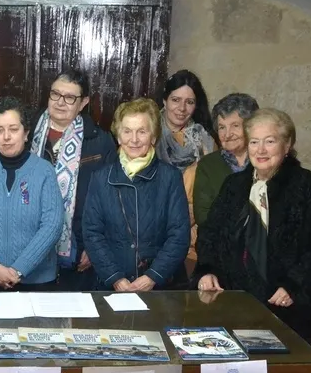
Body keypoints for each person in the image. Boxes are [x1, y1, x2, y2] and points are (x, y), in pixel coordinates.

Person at [195, 108, 311, 373]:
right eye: (254, 141)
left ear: (287, 145)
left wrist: (293, 284)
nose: (260, 149)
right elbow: (211, 234)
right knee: (241, 369)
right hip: (238, 297)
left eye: (269, 141)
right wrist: (207, 270)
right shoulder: (235, 186)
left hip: (287, 300)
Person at [83, 98, 191, 292]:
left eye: (142, 131)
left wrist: (152, 277)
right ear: (118, 137)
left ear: (153, 137)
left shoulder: (170, 177)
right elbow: (92, 234)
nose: (134, 139)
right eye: (127, 131)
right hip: (111, 288)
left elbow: (179, 235)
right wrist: (116, 278)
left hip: (160, 288)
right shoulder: (100, 178)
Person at [0, 96, 63, 291]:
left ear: (26, 133)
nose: (6, 137)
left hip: (36, 280)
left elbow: (52, 225)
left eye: (13, 129)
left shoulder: (44, 171)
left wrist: (19, 269)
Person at [29, 68, 116, 291]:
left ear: (83, 102)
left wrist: (94, 246)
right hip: (28, 244)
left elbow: (110, 200)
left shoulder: (99, 141)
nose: (60, 102)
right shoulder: (26, 132)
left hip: (78, 246)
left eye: (70, 98)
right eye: (55, 94)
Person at [154, 70, 216, 264]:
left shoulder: (206, 141)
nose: (182, 108)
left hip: (192, 240)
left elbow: (213, 193)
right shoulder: (146, 133)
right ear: (164, 100)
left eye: (189, 102)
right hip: (151, 233)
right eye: (176, 100)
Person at [193, 93, 260, 229]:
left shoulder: (264, 161)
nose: (227, 134)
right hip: (221, 238)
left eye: (235, 125)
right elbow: (203, 216)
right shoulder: (208, 165)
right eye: (222, 127)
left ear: (251, 127)